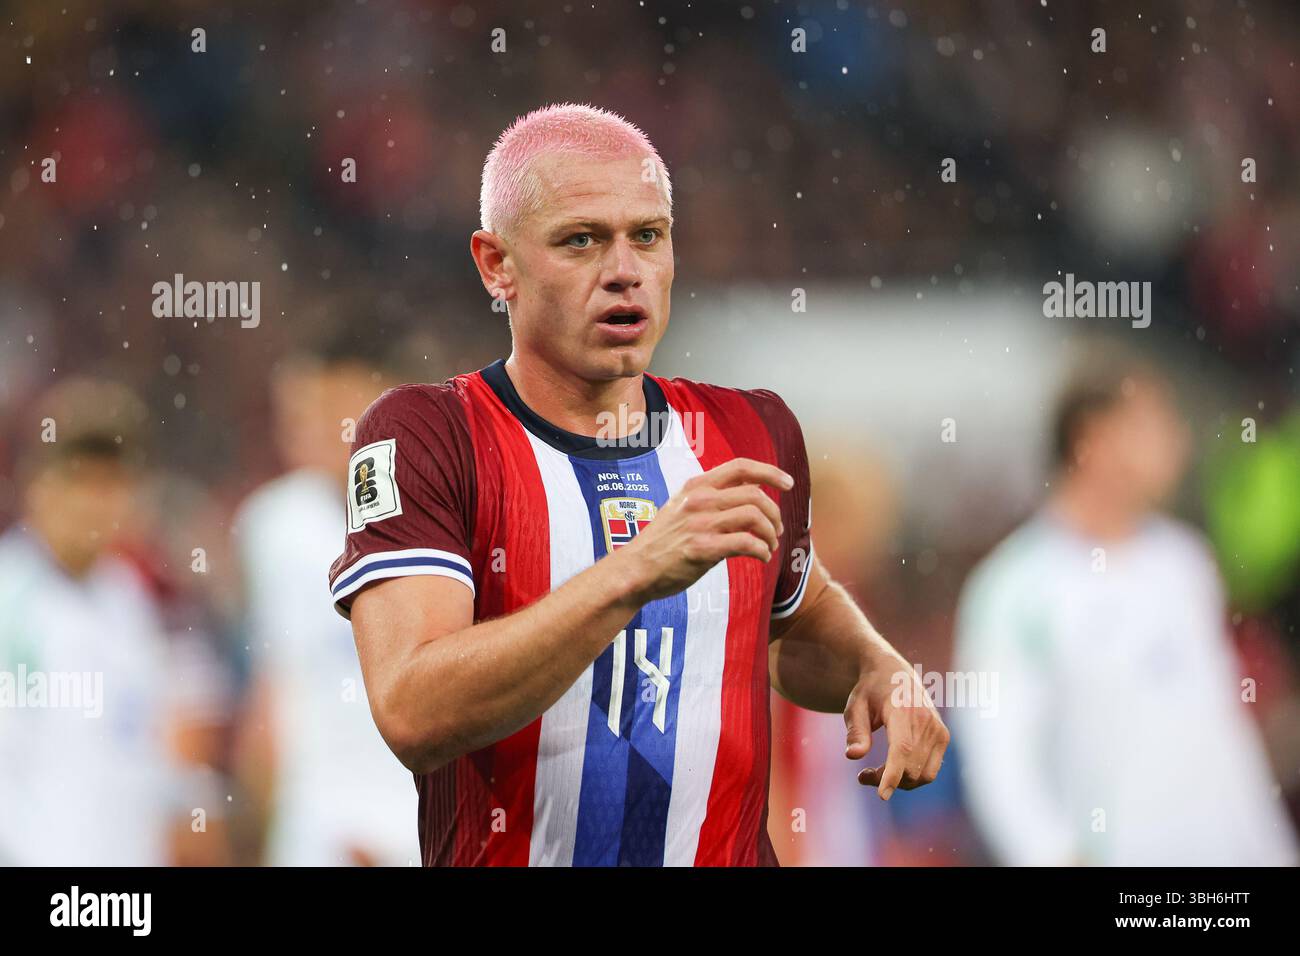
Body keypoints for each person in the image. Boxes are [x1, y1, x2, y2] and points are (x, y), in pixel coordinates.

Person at [325, 103, 948, 866]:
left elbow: (793, 615)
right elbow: (413, 710)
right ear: (497, 265)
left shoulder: (749, 432)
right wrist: (633, 572)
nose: (624, 270)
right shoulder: (429, 436)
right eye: (581, 240)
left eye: (647, 236)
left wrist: (878, 666)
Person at [952, 346, 1300, 866]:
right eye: (1156, 423)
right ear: (1094, 439)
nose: (1178, 442)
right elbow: (998, 758)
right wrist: (1053, 855)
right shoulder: (1015, 588)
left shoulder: (1185, 565)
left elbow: (1221, 733)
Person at [0, 379, 226, 865]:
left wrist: (190, 802)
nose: (93, 504)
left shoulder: (131, 600)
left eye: (111, 483)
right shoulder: (9, 598)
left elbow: (148, 745)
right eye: (78, 480)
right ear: (37, 484)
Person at [233, 322, 420, 866]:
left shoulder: (459, 518)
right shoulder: (271, 526)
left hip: (417, 828)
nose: (304, 431)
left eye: (326, 410)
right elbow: (276, 681)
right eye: (295, 415)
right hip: (313, 833)